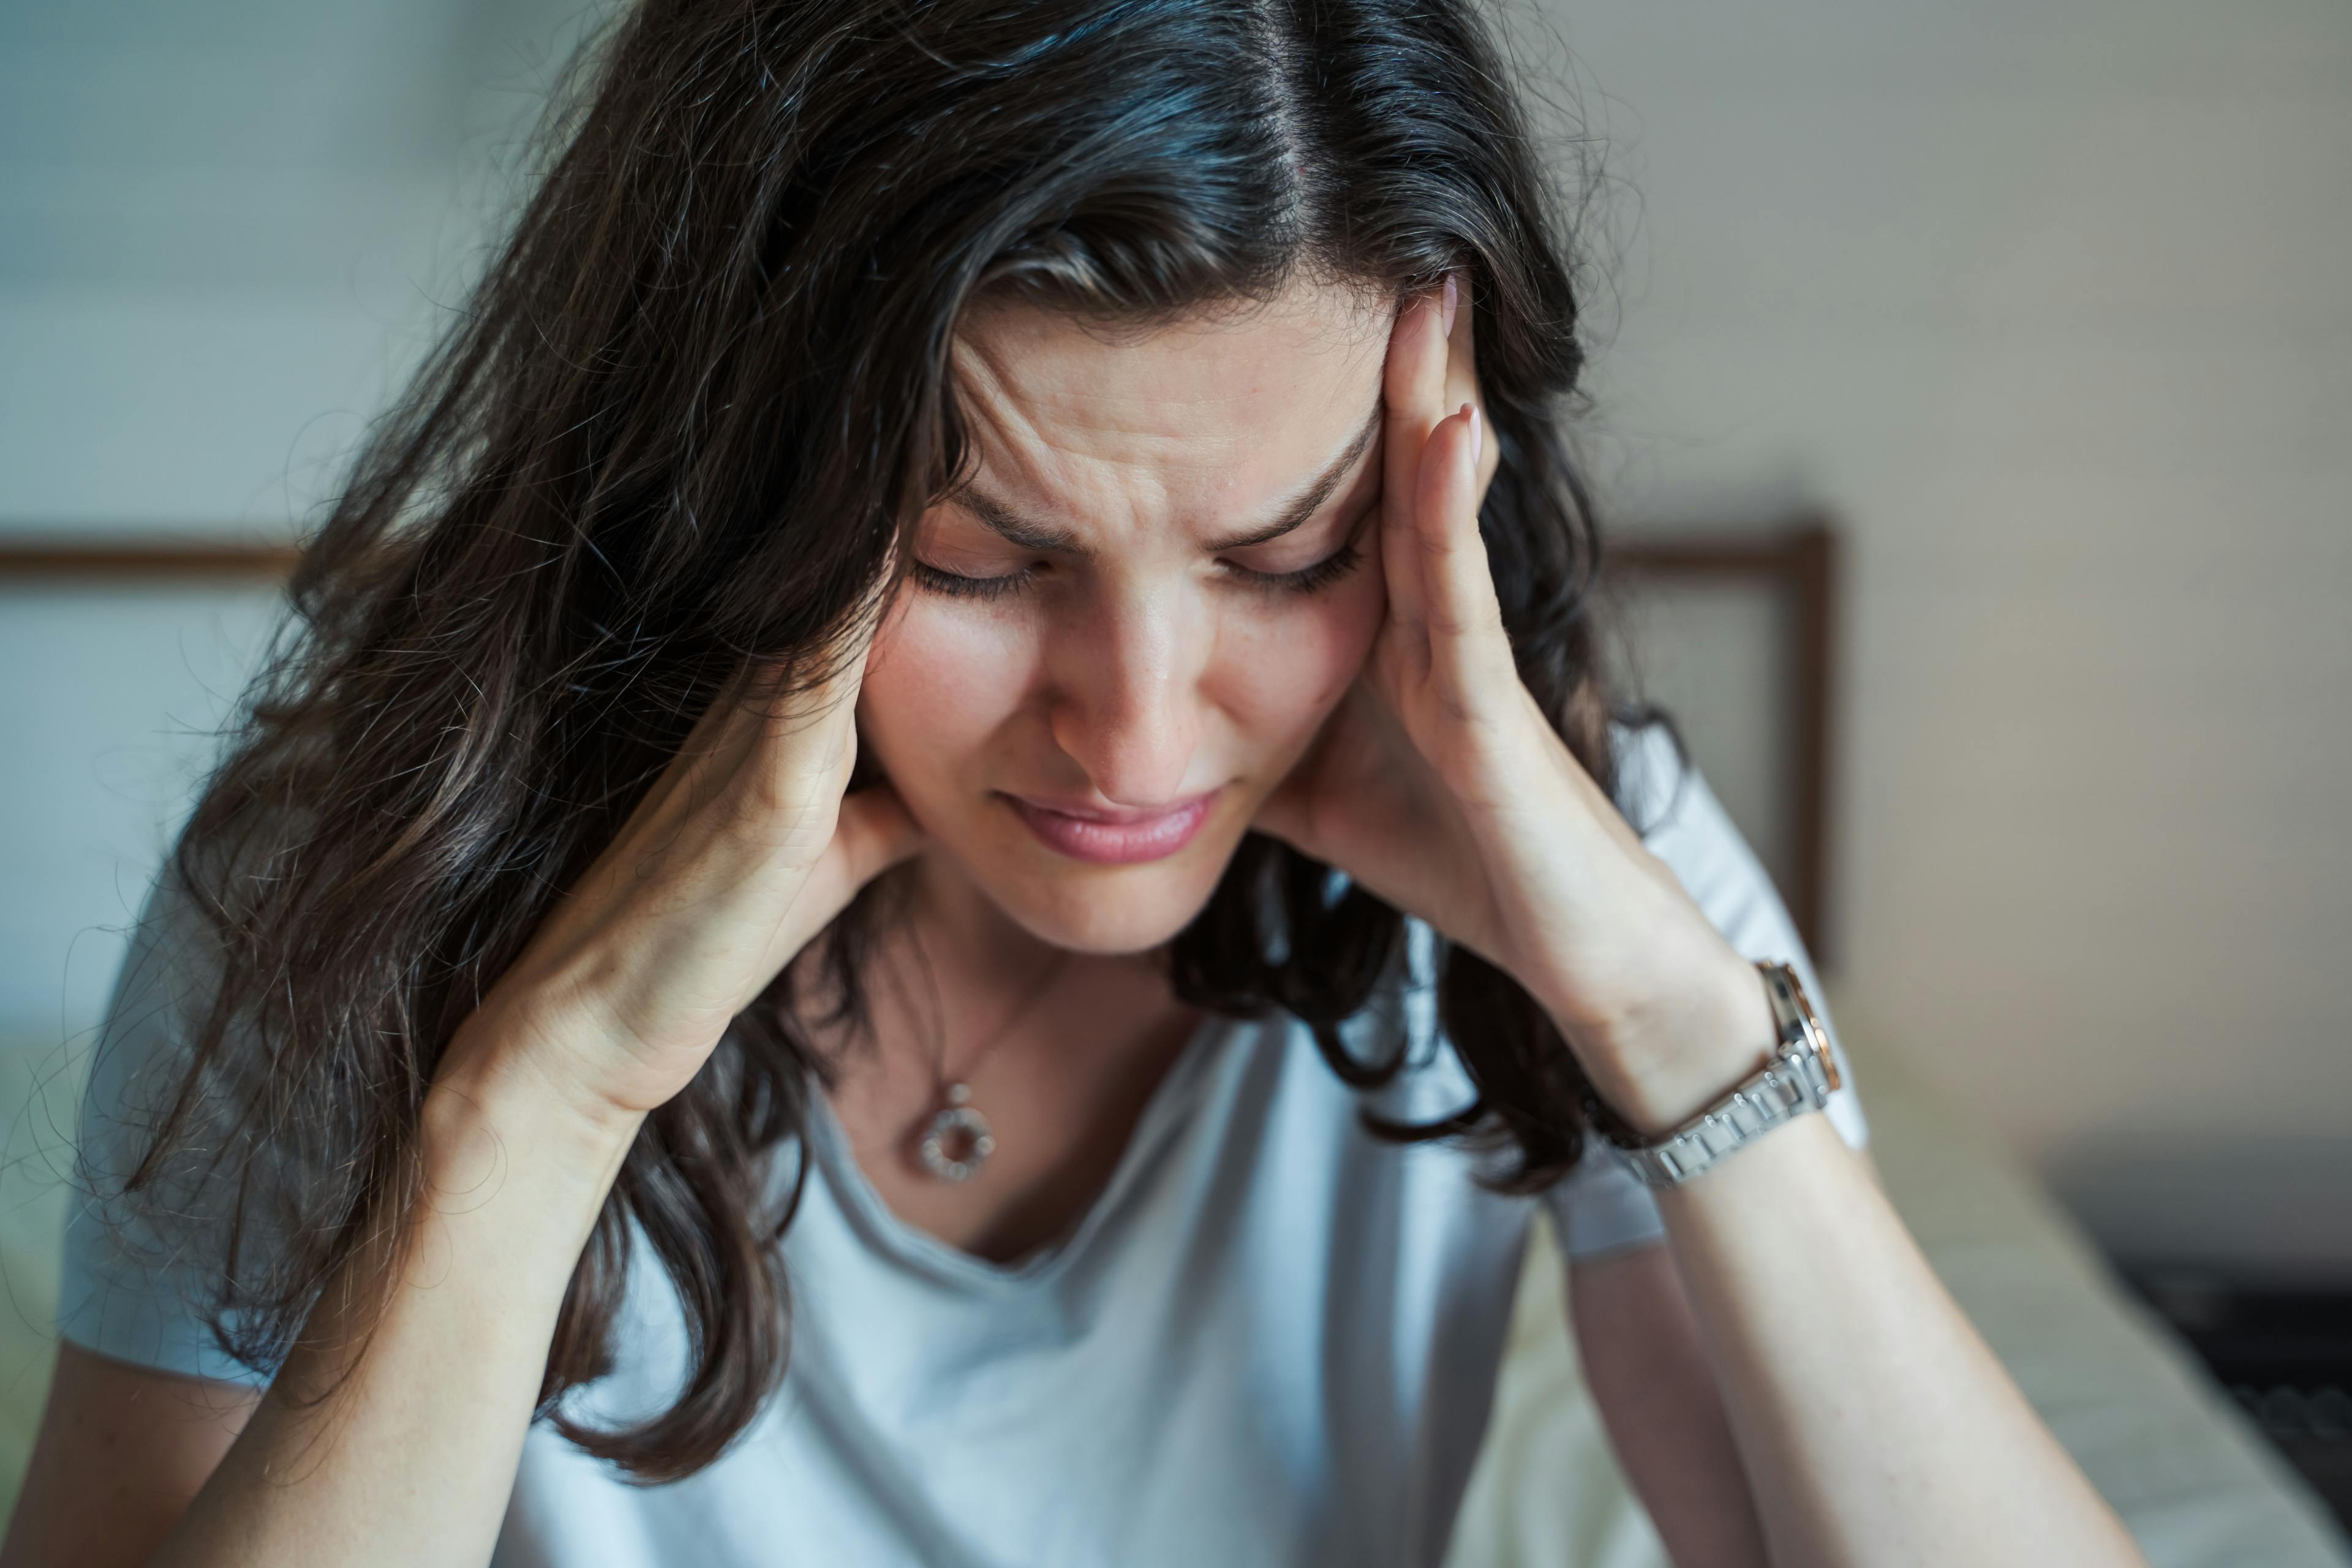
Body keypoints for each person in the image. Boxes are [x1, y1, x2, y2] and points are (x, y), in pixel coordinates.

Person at [2, 1, 2147, 1564]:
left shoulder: (1569, 866)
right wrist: (538, 1095)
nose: (1138, 735)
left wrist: (1677, 1029)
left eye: (1282, 555)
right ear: (737, 488)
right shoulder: (354, 882)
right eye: (978, 561)